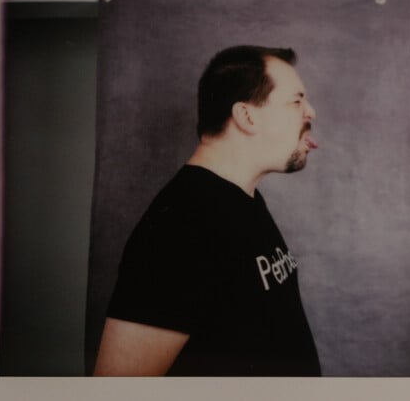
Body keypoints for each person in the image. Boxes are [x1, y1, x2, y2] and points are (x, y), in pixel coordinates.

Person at [94, 45, 321, 376]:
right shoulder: (183, 223)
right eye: (296, 101)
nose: (310, 112)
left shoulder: (242, 200)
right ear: (247, 116)